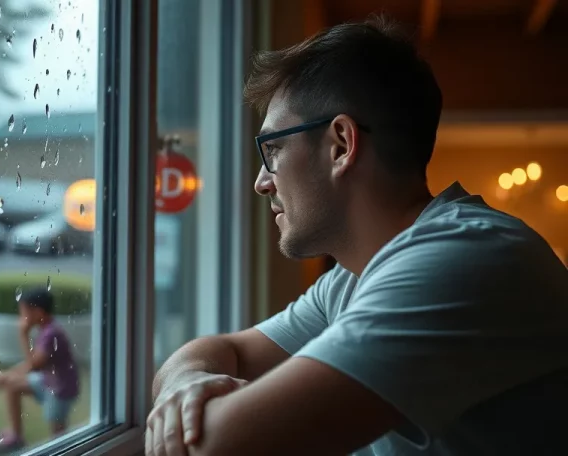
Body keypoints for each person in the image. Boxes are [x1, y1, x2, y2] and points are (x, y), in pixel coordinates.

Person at [146, 15, 568, 456]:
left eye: (273, 150)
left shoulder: (461, 261)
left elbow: (216, 445)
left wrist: (191, 404)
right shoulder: (351, 279)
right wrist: (187, 381)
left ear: (341, 145)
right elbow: (218, 349)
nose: (261, 182)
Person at [0, 287, 80, 452]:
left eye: (24, 312)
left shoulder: (51, 334)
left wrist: (23, 335)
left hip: (60, 389)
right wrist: (9, 375)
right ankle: (16, 435)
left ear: (38, 312)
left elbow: (34, 364)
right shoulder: (47, 330)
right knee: (12, 386)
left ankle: (62, 450)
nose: (21, 317)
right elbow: (34, 364)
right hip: (48, 381)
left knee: (58, 433)